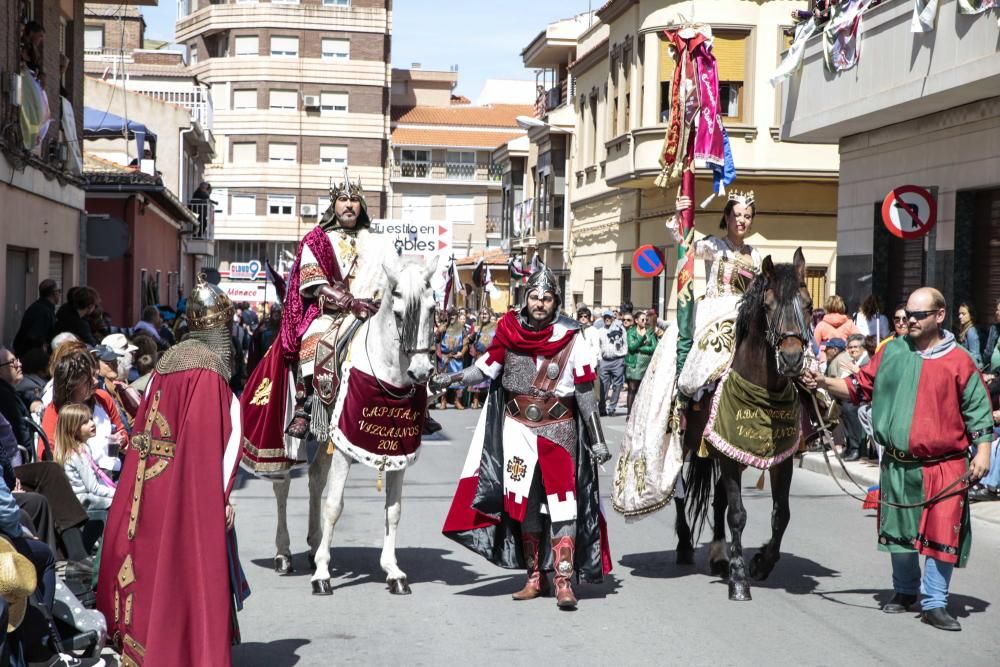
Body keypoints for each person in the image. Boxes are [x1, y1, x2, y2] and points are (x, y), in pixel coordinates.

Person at [804, 287, 993, 631]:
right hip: (897, 462)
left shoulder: (960, 361)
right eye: (907, 314)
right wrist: (821, 381)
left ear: (939, 315)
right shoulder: (891, 353)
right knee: (900, 532)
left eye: (919, 315)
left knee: (941, 533)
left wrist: (983, 452)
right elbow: (859, 387)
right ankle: (905, 591)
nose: (909, 320)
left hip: (945, 464)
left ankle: (934, 603)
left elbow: (979, 411)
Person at [438, 268, 612, 610]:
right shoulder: (509, 333)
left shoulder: (573, 337)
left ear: (556, 302)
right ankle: (535, 576)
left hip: (558, 430)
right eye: (534, 297)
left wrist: (597, 439)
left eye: (546, 298)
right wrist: (452, 379)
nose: (540, 303)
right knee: (526, 506)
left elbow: (585, 394)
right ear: (525, 298)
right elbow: (483, 369)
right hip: (517, 430)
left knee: (564, 506)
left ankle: (563, 580)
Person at [97, 275, 248, 665]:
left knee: (150, 563)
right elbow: (210, 442)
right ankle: (188, 649)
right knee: (186, 564)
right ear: (217, 327)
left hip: (147, 482)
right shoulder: (209, 369)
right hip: (183, 483)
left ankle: (150, 644)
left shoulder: (167, 361)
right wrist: (217, 498)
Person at [667, 191, 762, 400]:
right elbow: (686, 245)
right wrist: (679, 215)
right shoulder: (715, 246)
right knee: (709, 348)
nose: (741, 220)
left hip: (744, 312)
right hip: (715, 312)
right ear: (727, 217)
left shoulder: (755, 255)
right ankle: (694, 395)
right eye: (737, 215)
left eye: (747, 216)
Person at [54, 404, 115, 511]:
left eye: (91, 419)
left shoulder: (82, 448)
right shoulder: (78, 455)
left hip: (87, 496)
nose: (92, 423)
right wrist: (118, 493)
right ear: (73, 429)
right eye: (85, 422)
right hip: (85, 500)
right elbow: (94, 488)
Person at [13, 279, 60, 357]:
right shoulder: (42, 311)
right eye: (59, 291)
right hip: (31, 359)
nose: (60, 294)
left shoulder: (41, 308)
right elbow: (35, 337)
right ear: (54, 293)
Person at [625, 311, 657, 416]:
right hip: (634, 364)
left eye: (646, 319)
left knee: (642, 390)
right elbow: (631, 347)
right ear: (636, 321)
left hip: (645, 365)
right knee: (632, 389)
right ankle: (629, 413)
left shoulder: (650, 331)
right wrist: (642, 338)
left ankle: (639, 414)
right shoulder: (631, 332)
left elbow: (654, 347)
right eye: (642, 319)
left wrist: (640, 348)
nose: (644, 321)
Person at [597, 310, 627, 417]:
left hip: (617, 360)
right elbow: (598, 346)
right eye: (605, 317)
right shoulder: (600, 331)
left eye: (609, 317)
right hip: (605, 361)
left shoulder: (620, 329)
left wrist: (623, 356)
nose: (607, 319)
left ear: (613, 318)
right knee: (603, 386)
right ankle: (602, 408)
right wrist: (599, 359)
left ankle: (612, 408)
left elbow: (625, 343)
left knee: (617, 385)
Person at [467, 308, 497, 409]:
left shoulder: (495, 326)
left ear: (489, 315)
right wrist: (474, 333)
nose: (484, 315)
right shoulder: (476, 327)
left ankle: (488, 402)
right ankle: (475, 401)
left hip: (490, 356)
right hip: (478, 356)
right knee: (477, 379)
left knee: (489, 380)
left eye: (486, 313)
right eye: (482, 314)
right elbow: (469, 341)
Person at [438, 309, 466, 410]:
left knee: (458, 381)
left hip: (456, 358)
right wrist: (440, 329)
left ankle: (457, 401)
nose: (452, 317)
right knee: (443, 380)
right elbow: (437, 339)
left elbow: (465, 342)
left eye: (454, 315)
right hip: (445, 357)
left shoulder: (461, 328)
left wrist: (462, 352)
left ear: (457, 316)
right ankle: (443, 401)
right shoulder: (444, 327)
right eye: (450, 315)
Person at [955, 302, 982, 368]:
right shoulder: (965, 329)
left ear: (971, 315)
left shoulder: (971, 331)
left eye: (963, 314)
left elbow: (975, 355)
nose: (960, 316)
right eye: (959, 314)